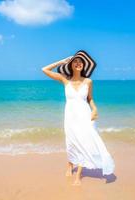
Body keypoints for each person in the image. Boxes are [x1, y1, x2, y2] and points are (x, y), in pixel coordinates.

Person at [42, 51, 115, 186]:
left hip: (85, 115)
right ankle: (70, 165)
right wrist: (61, 61)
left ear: (84, 65)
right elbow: (44, 69)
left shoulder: (88, 81)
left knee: (84, 142)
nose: (78, 63)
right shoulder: (65, 80)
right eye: (75, 61)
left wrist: (95, 109)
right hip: (70, 116)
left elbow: (90, 99)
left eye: (80, 62)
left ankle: (78, 176)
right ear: (71, 65)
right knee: (71, 141)